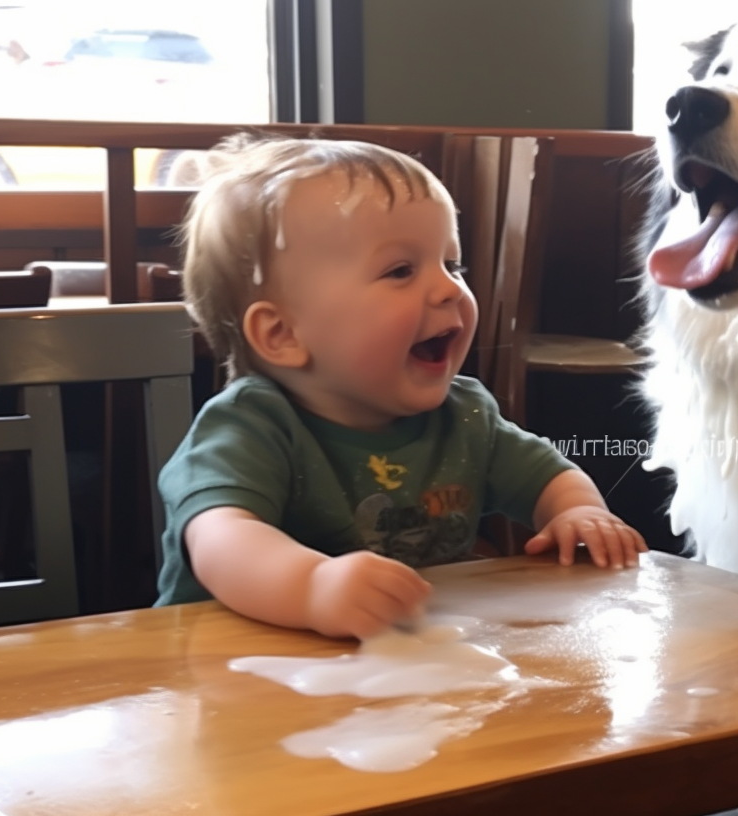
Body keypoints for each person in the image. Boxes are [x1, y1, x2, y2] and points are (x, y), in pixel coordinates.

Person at [154, 135, 647, 639]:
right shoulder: (250, 427)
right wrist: (313, 588)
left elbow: (550, 476)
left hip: (391, 673)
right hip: (232, 679)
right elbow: (222, 540)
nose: (450, 288)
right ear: (283, 334)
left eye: (451, 265)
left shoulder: (464, 415)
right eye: (401, 270)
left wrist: (579, 512)